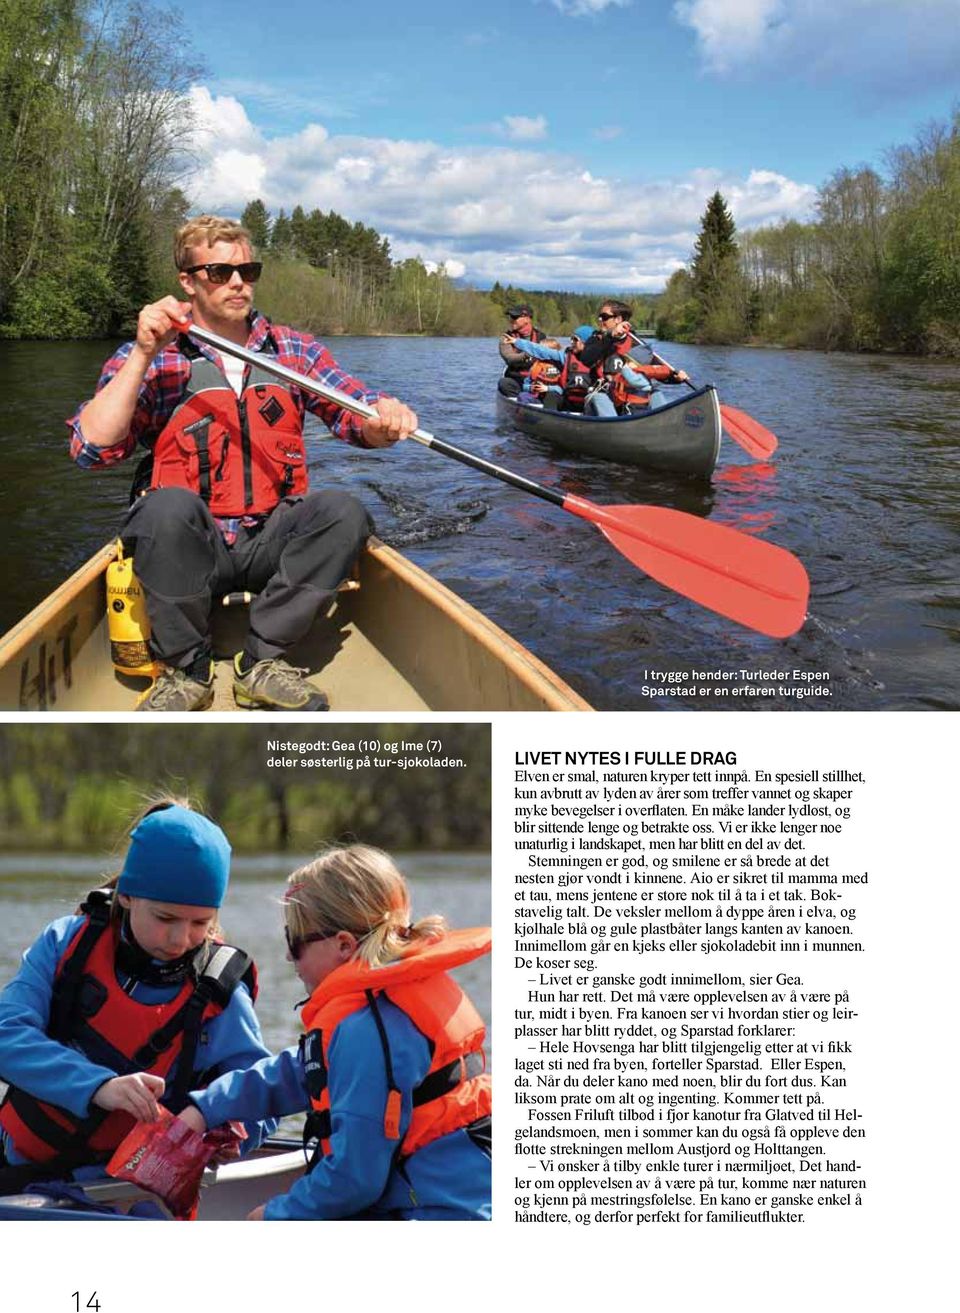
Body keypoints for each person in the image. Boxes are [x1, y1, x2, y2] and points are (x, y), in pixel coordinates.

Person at [67, 215, 419, 713]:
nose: (237, 282)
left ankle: (261, 662)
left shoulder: (292, 350)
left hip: (267, 540)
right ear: (187, 282)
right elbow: (90, 449)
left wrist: (382, 421)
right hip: (192, 550)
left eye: (247, 270)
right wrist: (144, 354)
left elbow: (355, 414)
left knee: (344, 512)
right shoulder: (154, 356)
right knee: (163, 509)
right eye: (218, 272)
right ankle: (187, 669)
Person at [176, 844, 492, 1220]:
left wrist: (274, 1217)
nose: (289, 957)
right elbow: (301, 1072)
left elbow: (355, 1180)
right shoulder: (383, 1002)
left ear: (343, 944)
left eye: (296, 942)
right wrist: (207, 1106)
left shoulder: (365, 1030)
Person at [0, 799, 274, 1191]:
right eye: (165, 919)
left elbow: (260, 1093)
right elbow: (6, 1034)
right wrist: (98, 1087)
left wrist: (232, 1131)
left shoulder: (221, 989)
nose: (181, 940)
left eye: (201, 922)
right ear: (127, 895)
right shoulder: (65, 943)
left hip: (132, 1195)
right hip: (20, 1175)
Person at [579, 299, 689, 413]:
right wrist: (611, 336)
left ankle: (665, 422)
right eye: (600, 317)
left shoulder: (636, 344)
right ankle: (614, 427)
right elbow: (586, 359)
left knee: (655, 393)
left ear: (618, 319)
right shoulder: (596, 340)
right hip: (603, 397)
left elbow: (657, 369)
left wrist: (675, 378)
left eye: (604, 317)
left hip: (628, 399)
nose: (600, 320)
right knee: (599, 397)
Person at [508, 326, 602, 413]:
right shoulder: (566, 357)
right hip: (567, 401)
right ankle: (549, 419)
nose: (572, 342)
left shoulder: (599, 361)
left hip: (587, 402)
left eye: (575, 339)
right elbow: (541, 350)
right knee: (552, 395)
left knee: (598, 399)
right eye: (571, 339)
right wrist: (517, 342)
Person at [497, 303, 545, 396]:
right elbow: (509, 358)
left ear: (527, 319)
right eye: (510, 317)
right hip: (516, 379)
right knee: (504, 383)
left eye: (514, 317)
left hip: (537, 379)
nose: (511, 320)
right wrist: (529, 354)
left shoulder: (541, 337)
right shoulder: (506, 337)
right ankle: (519, 399)